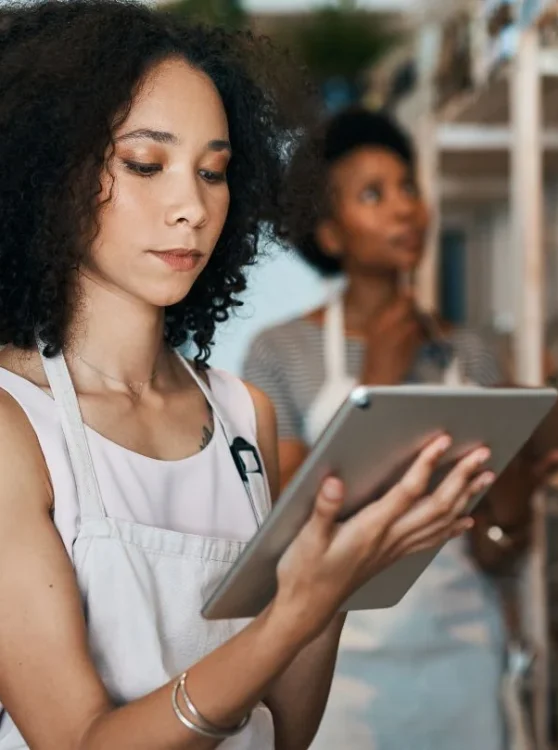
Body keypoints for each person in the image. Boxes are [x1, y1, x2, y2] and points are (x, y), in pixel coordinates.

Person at [0, 5, 495, 749]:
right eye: (145, 164)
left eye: (214, 172)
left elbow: (286, 731)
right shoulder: (14, 429)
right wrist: (296, 610)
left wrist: (337, 586)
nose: (192, 207)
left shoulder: (241, 416)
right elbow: (79, 742)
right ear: (50, 174)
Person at [244, 107, 558, 750]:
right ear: (330, 234)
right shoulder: (279, 353)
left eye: (408, 187)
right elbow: (292, 527)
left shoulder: (469, 354)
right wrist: (383, 383)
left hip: (462, 658)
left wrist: (519, 487)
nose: (404, 210)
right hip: (338, 668)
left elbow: (494, 552)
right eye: (373, 194)